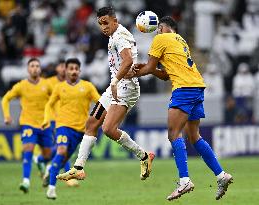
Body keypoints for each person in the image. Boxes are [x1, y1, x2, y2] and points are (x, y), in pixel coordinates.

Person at [128, 16, 233, 201]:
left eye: (159, 28)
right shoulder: (180, 41)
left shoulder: (161, 39)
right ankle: (221, 175)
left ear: (163, 28)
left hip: (184, 89)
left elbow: (151, 67)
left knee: (173, 134)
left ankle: (184, 180)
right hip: (196, 86)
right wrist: (147, 68)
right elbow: (165, 75)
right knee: (194, 136)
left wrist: (130, 73)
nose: (157, 31)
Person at [56, 6, 155, 183]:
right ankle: (78, 168)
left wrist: (115, 81)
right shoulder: (113, 35)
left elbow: (128, 60)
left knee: (108, 129)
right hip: (115, 85)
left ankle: (144, 156)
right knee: (91, 122)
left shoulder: (120, 36)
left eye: (106, 23)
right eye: (100, 24)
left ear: (115, 21)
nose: (103, 27)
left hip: (126, 88)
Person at [41, 58, 100, 199]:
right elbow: (49, 104)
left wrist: (96, 121)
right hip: (63, 126)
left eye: (76, 69)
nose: (73, 71)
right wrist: (46, 120)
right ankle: (51, 189)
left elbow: (100, 103)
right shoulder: (59, 87)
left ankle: (50, 170)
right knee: (61, 151)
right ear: (66, 71)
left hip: (80, 131)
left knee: (63, 159)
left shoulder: (87, 86)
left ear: (79, 71)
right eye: (71, 68)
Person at [1, 58, 53, 193]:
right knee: (28, 148)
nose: (35, 68)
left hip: (45, 125)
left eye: (37, 66)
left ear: (40, 69)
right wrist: (7, 116)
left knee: (47, 155)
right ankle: (26, 181)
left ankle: (40, 161)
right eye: (32, 66)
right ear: (28, 69)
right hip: (28, 123)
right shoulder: (21, 86)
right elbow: (5, 99)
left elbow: (57, 98)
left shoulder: (47, 85)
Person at [33, 59, 73, 186]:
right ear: (56, 69)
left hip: (67, 120)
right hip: (53, 121)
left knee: (60, 149)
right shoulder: (49, 83)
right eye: (61, 66)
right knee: (63, 147)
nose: (63, 69)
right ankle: (68, 176)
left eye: (65, 67)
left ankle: (40, 160)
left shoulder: (71, 84)